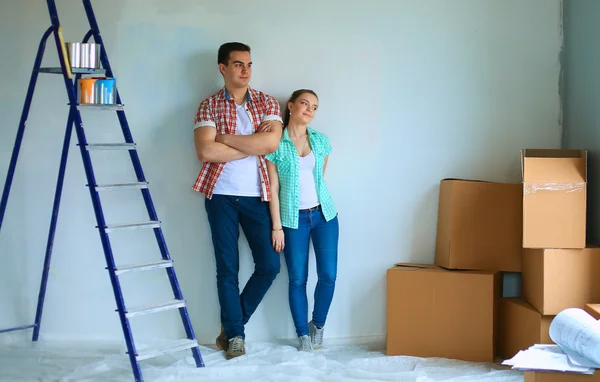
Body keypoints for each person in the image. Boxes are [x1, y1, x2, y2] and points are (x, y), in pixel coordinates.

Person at [193, 42, 283, 359]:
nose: (245, 70)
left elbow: (271, 144)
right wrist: (252, 144)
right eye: (237, 64)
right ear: (223, 68)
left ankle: (232, 328)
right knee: (227, 269)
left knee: (270, 265)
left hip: (257, 196)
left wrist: (226, 139)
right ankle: (235, 338)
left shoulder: (266, 102)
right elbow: (205, 151)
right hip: (220, 196)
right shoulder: (208, 106)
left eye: (248, 64)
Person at [265, 89, 339, 352]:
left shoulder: (321, 141)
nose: (310, 110)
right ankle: (302, 335)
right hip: (292, 219)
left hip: (324, 216)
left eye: (315, 107)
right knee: (297, 279)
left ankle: (317, 326)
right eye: (305, 104)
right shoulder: (275, 144)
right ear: (291, 106)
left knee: (328, 275)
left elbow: (320, 178)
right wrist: (276, 226)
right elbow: (272, 189)